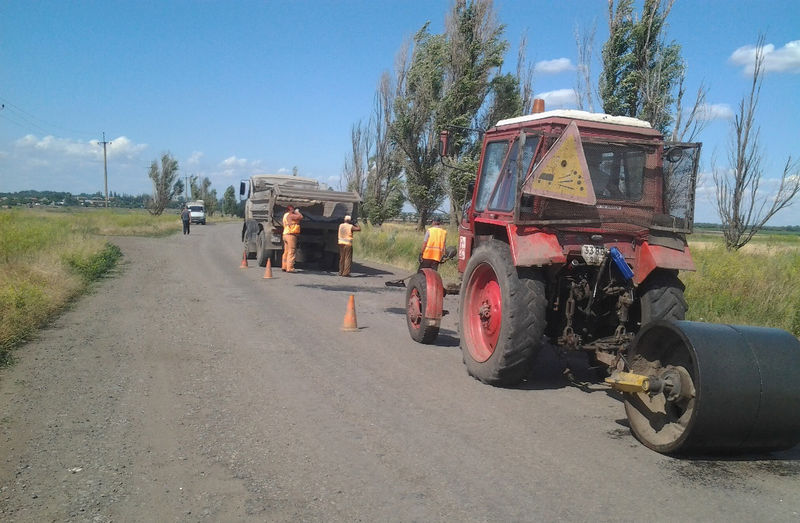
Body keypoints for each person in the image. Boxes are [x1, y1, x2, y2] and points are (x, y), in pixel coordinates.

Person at [281, 205, 303, 272]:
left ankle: (284, 266)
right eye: (292, 209)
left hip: (285, 234)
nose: (293, 210)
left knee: (286, 251)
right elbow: (301, 217)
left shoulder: (285, 215)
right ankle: (290, 268)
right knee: (292, 251)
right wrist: (297, 212)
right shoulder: (290, 215)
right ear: (290, 209)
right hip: (291, 235)